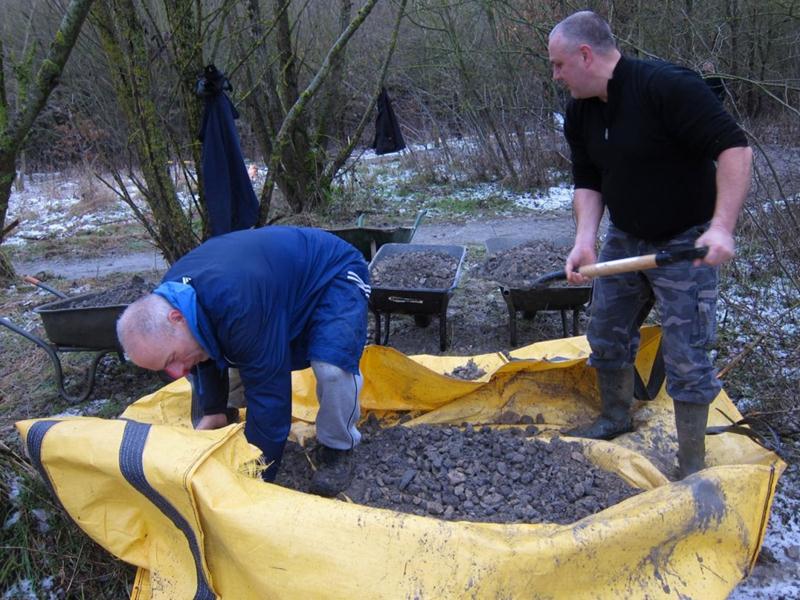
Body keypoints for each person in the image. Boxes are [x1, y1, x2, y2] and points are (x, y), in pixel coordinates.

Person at [547, 11, 752, 478]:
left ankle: (692, 465)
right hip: (626, 236)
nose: (556, 76)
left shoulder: (666, 87)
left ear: (585, 54)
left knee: (687, 356)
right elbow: (587, 178)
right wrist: (585, 241)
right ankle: (615, 417)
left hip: (684, 241)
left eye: (559, 65)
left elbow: (734, 149)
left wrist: (721, 226)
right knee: (605, 331)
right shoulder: (581, 109)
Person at [117, 226, 371, 497]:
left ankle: (338, 446)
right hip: (273, 285)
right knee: (225, 353)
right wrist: (213, 409)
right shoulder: (171, 299)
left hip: (333, 273)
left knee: (332, 366)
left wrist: (254, 480)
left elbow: (270, 399)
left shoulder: (238, 305)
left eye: (172, 359)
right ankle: (227, 416)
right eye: (165, 368)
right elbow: (204, 337)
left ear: (176, 319)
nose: (178, 373)